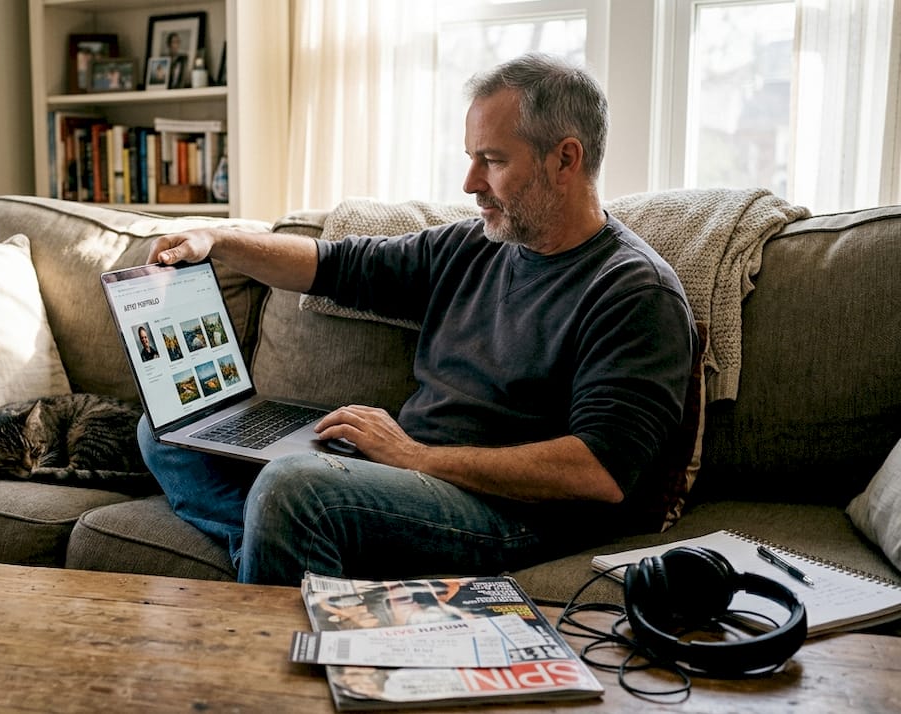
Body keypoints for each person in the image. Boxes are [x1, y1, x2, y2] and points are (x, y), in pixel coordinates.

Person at [139, 53, 696, 587]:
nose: (470, 182)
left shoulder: (634, 291)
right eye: (471, 157)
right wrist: (214, 239)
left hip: (513, 516)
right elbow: (334, 266)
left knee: (290, 491)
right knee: (170, 427)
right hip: (405, 476)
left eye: (493, 160)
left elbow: (598, 473)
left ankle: (283, 586)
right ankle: (291, 555)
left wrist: (413, 456)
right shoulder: (474, 245)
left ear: (565, 160)